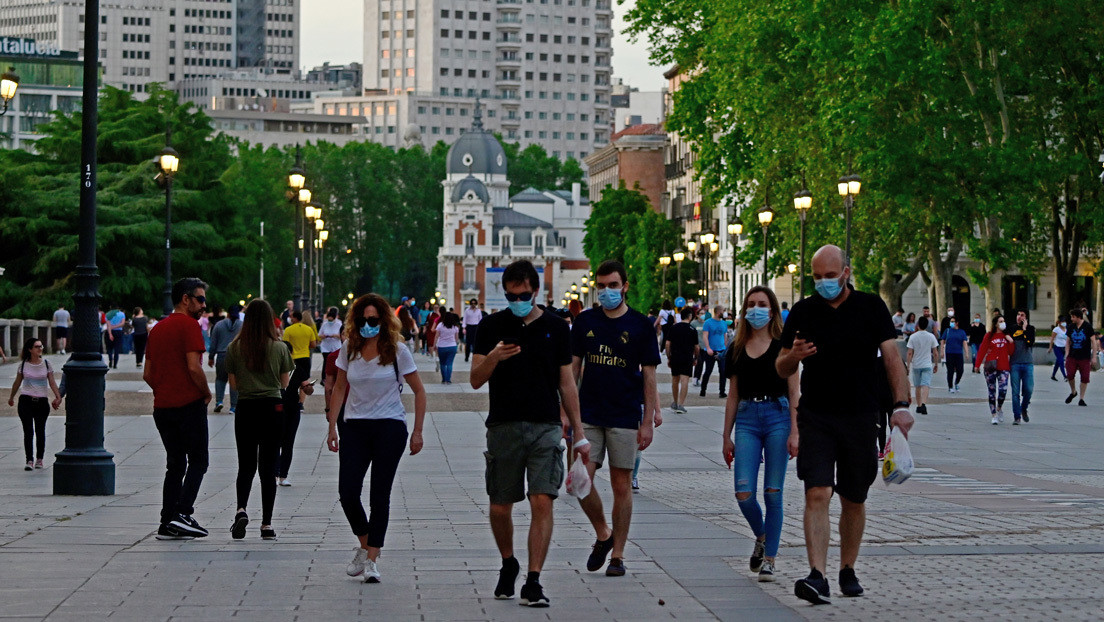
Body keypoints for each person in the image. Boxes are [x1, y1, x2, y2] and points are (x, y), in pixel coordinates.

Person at [776, 245, 913, 605]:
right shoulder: (804, 311)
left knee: (854, 496)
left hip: (861, 416)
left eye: (830, 276)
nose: (824, 283)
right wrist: (794, 356)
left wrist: (900, 405)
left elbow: (892, 359)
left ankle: (847, 568)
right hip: (816, 415)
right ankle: (817, 574)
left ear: (846, 272)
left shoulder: (870, 307)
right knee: (817, 491)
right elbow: (781, 367)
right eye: (817, 277)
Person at [470, 259, 590, 607]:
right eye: (510, 295)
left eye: (522, 294)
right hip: (503, 425)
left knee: (542, 498)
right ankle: (509, 562)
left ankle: (534, 579)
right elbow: (476, 378)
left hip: (546, 426)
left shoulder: (555, 326)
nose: (516, 300)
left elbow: (566, 382)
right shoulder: (491, 326)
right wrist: (494, 356)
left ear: (535, 291)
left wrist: (578, 432)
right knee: (500, 506)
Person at [327, 294, 427, 582]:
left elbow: (419, 391)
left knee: (379, 495)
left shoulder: (397, 351)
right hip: (355, 427)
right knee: (347, 492)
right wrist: (332, 426)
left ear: (383, 321)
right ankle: (366, 543)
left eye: (373, 320)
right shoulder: (349, 349)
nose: (368, 325)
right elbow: (339, 388)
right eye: (362, 320)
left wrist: (417, 431)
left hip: (389, 427)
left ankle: (371, 559)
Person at [570, 260, 658, 578]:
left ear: (625, 286)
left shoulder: (640, 326)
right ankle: (603, 534)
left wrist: (649, 419)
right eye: (602, 285)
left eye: (613, 285)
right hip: (589, 413)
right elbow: (573, 370)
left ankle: (618, 555)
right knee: (579, 479)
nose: (607, 291)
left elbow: (649, 376)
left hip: (624, 414)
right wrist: (566, 413)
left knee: (622, 485)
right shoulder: (584, 322)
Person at [723, 286, 799, 582]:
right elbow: (732, 394)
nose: (756, 309)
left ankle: (769, 559)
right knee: (743, 494)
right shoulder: (737, 347)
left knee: (773, 493)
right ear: (744, 311)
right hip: (747, 420)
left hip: (778, 416)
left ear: (773, 311)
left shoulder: (785, 345)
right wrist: (725, 435)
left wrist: (796, 430)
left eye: (762, 304)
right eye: (751, 304)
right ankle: (763, 536)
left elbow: (795, 391)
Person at [143, 277, 212, 540]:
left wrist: (163, 389)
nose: (204, 305)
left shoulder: (157, 329)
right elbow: (194, 367)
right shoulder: (189, 326)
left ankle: (166, 523)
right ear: (186, 299)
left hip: (162, 407)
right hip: (188, 405)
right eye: (201, 299)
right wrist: (205, 393)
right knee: (198, 461)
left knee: (175, 464)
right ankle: (182, 513)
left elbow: (148, 374)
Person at [225, 300, 294, 540]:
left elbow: (233, 385)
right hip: (272, 408)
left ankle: (241, 509)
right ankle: (266, 524)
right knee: (268, 467)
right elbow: (285, 383)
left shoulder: (235, 347)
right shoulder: (279, 348)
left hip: (246, 407)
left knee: (246, 465)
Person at [7, 338, 63, 470]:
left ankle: (39, 459)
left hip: (42, 402)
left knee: (40, 430)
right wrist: (11, 397)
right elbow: (17, 383)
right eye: (37, 346)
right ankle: (29, 460)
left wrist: (58, 396)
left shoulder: (47, 364)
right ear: (30, 349)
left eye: (41, 346)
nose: (40, 349)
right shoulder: (23, 365)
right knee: (28, 431)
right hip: (25, 401)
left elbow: (52, 382)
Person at [277, 310, 318, 486]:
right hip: (287, 407)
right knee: (284, 442)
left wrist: (308, 388)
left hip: (286, 407)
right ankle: (280, 474)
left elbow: (306, 388)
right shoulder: (280, 369)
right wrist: (307, 390)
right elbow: (313, 344)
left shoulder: (294, 370)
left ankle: (281, 473)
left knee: (284, 442)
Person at [974, 315, 1013, 424]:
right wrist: (977, 364)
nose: (1003, 323)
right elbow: (982, 350)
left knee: (1003, 390)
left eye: (1004, 321)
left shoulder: (1006, 336)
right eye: (1000, 321)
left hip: (1004, 366)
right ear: (996, 324)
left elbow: (1011, 352)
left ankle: (999, 407)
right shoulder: (989, 336)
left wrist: (1010, 342)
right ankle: (994, 414)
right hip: (991, 366)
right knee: (992, 391)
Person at [208, 305, 243, 414]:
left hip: (222, 355)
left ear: (227, 314)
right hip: (238, 355)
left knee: (220, 379)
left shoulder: (219, 325)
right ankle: (233, 406)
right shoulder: (243, 326)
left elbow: (213, 343)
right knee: (235, 380)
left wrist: (211, 357)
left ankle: (219, 402)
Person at [665, 308, 699, 413]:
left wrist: (669, 356)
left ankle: (675, 402)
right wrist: (696, 357)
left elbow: (667, 344)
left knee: (675, 379)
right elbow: (697, 347)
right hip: (687, 357)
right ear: (690, 316)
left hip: (675, 356)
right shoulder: (692, 329)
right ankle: (681, 404)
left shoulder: (674, 328)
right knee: (685, 380)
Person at [1064, 308, 1099, 407]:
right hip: (1072, 355)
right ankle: (1073, 392)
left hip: (1084, 356)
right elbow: (1067, 341)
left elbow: (1093, 342)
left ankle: (1081, 399)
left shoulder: (1087, 327)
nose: (1071, 319)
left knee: (1085, 377)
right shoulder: (1071, 327)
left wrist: (1094, 357)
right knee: (1070, 375)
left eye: (1073, 317)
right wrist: (1066, 354)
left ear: (1078, 317)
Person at [905, 317, 939, 415]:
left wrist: (908, 366)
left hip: (916, 364)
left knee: (917, 386)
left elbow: (910, 353)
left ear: (918, 325)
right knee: (926, 385)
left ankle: (919, 405)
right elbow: (935, 352)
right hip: (927, 364)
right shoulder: (931, 336)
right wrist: (936, 364)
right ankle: (924, 403)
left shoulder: (913, 337)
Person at [1008, 310, 1036, 423]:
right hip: (1015, 363)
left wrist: (1025, 329)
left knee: (1029, 389)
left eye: (1022, 315)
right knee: (1015, 392)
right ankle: (1017, 416)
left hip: (1027, 363)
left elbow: (1030, 342)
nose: (1020, 317)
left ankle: (1024, 407)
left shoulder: (1030, 329)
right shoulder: (1011, 329)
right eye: (1018, 315)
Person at [700, 306, 730, 398]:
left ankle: (722, 391)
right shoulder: (708, 323)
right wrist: (708, 348)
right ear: (718, 312)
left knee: (723, 371)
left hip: (721, 350)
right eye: (723, 311)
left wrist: (725, 348)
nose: (724, 313)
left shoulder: (724, 323)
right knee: (708, 370)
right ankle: (703, 389)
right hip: (710, 350)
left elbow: (725, 336)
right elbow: (705, 336)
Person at [939, 316, 969, 393]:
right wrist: (942, 351)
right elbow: (942, 340)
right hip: (949, 353)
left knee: (960, 370)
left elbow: (964, 342)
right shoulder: (947, 331)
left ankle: (957, 382)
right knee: (950, 370)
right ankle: (950, 386)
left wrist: (966, 353)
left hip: (958, 353)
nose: (951, 323)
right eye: (950, 322)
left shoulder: (961, 332)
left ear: (956, 323)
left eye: (953, 321)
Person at [318, 307, 343, 383]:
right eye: (329, 319)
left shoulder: (339, 324)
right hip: (326, 346)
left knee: (335, 362)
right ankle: (324, 378)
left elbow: (342, 335)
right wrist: (323, 336)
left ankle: (335, 377)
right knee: (326, 361)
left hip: (335, 346)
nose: (330, 321)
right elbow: (319, 334)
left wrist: (335, 335)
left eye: (331, 320)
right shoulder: (325, 324)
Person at [434, 312, 461, 384]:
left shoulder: (440, 325)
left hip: (442, 346)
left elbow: (436, 336)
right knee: (449, 363)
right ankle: (448, 379)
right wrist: (456, 345)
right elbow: (456, 338)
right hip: (452, 346)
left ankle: (444, 379)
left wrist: (434, 345)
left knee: (442, 363)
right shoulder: (455, 327)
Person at [691, 309, 707, 386]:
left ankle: (698, 378)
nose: (702, 315)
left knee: (702, 363)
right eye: (701, 313)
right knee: (698, 361)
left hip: (704, 346)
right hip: (696, 346)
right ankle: (695, 377)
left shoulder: (706, 324)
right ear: (697, 315)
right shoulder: (693, 323)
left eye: (704, 313)